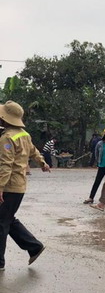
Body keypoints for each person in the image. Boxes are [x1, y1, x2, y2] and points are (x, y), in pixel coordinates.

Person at [0, 101, 50, 271]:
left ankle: (0, 262)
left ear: (4, 118)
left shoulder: (7, 138)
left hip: (9, 186)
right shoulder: (24, 134)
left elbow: (6, 165)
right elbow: (34, 151)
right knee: (7, 219)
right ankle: (34, 247)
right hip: (19, 186)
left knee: (2, 222)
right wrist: (43, 163)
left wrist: (0, 188)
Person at [83, 127, 105, 204]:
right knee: (97, 181)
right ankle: (91, 197)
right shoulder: (100, 143)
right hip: (102, 165)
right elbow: (96, 153)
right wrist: (97, 162)